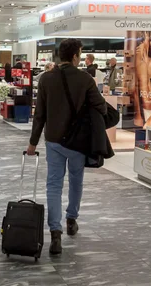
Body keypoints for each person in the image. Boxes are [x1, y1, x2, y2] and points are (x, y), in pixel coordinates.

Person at [26, 38, 107, 256]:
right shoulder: (85, 79)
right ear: (74, 56)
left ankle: (55, 234)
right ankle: (72, 219)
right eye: (80, 54)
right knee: (76, 180)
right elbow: (101, 107)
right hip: (78, 142)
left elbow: (40, 114)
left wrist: (33, 143)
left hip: (53, 140)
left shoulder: (45, 79)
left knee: (53, 185)